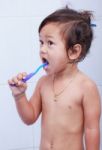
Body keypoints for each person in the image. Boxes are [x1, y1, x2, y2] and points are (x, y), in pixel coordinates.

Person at [8, 6, 101, 150]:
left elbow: (91, 130)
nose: (42, 49)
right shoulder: (43, 83)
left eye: (50, 43)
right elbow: (29, 118)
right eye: (41, 42)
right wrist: (19, 96)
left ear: (74, 51)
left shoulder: (86, 87)